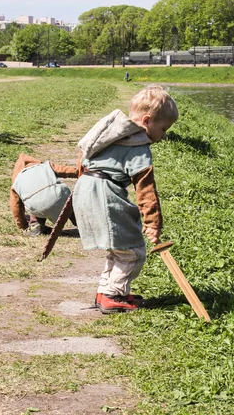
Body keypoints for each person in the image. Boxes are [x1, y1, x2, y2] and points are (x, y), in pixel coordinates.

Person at [73, 84, 178, 314]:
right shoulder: (138, 145)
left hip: (85, 188)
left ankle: (106, 291)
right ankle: (113, 295)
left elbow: (82, 152)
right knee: (133, 251)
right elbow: (145, 188)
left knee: (118, 247)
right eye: (164, 128)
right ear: (147, 121)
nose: (164, 134)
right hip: (104, 193)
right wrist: (152, 223)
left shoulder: (110, 134)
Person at [10, 154, 78, 236]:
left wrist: (22, 225)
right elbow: (64, 170)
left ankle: (35, 225)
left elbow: (16, 207)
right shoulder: (45, 166)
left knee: (35, 201)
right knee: (69, 206)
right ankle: (82, 222)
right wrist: (80, 172)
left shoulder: (17, 181)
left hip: (37, 206)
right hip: (59, 199)